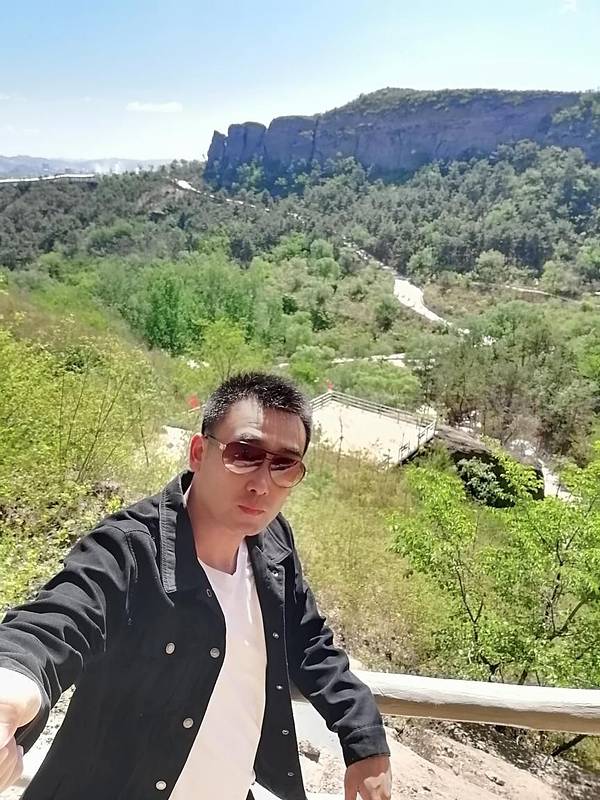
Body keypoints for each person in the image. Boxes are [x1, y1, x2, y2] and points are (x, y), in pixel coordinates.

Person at [0, 372, 392, 800]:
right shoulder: (131, 550)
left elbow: (310, 644)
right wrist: (11, 689)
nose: (262, 484)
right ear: (199, 453)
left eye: (284, 464)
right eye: (244, 454)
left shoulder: (274, 544)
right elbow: (57, 620)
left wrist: (364, 736)